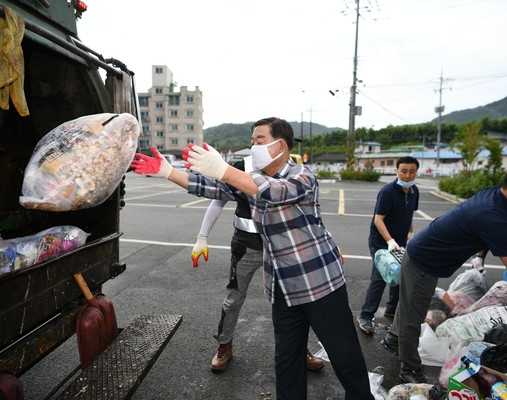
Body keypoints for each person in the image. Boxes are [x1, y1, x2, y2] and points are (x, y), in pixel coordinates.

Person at [131, 117, 374, 400]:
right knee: (287, 359)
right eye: (252, 141)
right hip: (283, 287)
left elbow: (272, 192)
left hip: (319, 283)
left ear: (280, 145)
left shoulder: (302, 176)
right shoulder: (251, 182)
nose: (253, 146)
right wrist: (168, 171)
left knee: (344, 355)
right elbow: (211, 188)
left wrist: (223, 169)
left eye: (259, 141)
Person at [380, 161, 507, 384]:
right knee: (412, 317)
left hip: (426, 253)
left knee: (410, 305)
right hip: (423, 261)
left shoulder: (496, 195)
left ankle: (394, 339)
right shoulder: (494, 216)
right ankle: (409, 369)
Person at [190, 156, 324, 372]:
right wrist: (202, 236)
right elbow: (217, 199)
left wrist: (323, 240)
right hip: (246, 246)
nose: (259, 143)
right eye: (256, 138)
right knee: (234, 298)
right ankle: (225, 345)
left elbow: (306, 210)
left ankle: (299, 349)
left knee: (293, 299)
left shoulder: (289, 167)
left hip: (281, 247)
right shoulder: (240, 166)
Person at [357, 156, 419, 334]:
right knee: (380, 277)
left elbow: (409, 215)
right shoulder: (388, 192)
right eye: (403, 171)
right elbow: (378, 220)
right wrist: (389, 241)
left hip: (399, 242)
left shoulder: (414, 191)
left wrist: (410, 235)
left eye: (411, 171)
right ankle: (365, 316)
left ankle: (392, 310)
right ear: (397, 171)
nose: (407, 175)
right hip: (380, 241)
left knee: (401, 275)